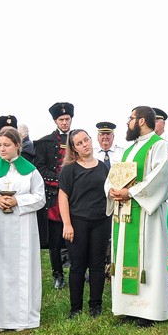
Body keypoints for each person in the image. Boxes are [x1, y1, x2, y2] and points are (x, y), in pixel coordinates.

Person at [0, 127, 44, 331]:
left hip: (22, 227)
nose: (1, 149)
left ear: (17, 146)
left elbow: (40, 197)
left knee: (21, 269)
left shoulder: (30, 170)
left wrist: (17, 201)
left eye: (6, 145)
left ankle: (21, 318)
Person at [108, 106, 168, 327]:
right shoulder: (129, 150)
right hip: (125, 213)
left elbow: (161, 177)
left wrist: (131, 192)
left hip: (147, 215)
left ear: (142, 121)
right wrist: (111, 190)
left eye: (131, 118)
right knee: (124, 256)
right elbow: (114, 175)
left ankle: (149, 311)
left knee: (149, 258)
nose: (128, 122)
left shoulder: (160, 145)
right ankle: (128, 307)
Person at [58, 129, 110, 318]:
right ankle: (75, 307)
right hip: (78, 222)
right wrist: (67, 224)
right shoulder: (70, 169)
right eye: (79, 143)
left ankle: (95, 305)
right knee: (78, 265)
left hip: (101, 221)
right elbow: (63, 197)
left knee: (97, 265)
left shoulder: (104, 167)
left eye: (86, 140)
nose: (84, 145)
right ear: (74, 149)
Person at [34, 103, 73, 289]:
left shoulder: (79, 139)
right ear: (55, 121)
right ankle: (58, 274)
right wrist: (62, 181)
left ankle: (78, 270)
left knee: (77, 237)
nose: (65, 122)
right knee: (56, 240)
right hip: (55, 198)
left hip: (76, 196)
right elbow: (41, 169)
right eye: (61, 120)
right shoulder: (45, 142)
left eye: (67, 119)